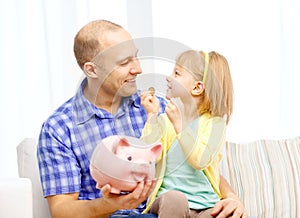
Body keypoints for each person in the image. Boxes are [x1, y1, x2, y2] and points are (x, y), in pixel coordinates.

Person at [37, 19, 247, 218]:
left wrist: (231, 197)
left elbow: (195, 164)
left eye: (136, 57)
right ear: (92, 70)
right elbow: (61, 210)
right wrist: (111, 204)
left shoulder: (160, 107)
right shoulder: (59, 128)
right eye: (124, 62)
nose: (138, 69)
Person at [140, 50, 247, 218]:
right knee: (175, 199)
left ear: (197, 88)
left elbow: (200, 160)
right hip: (169, 201)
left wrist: (180, 127)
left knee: (222, 214)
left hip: (206, 204)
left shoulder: (215, 124)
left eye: (177, 73)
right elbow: (148, 156)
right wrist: (152, 116)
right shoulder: (165, 119)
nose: (169, 77)